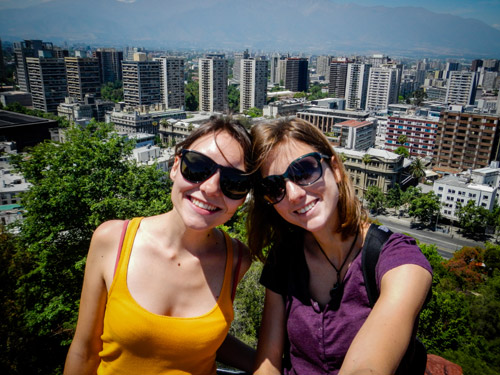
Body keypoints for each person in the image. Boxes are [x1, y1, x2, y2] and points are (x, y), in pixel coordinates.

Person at [64, 117, 255, 375]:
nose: (210, 188)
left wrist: (275, 364)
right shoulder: (113, 241)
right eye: (198, 167)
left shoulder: (237, 260)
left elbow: (197, 340)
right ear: (176, 166)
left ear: (243, 198)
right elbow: (84, 349)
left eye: (234, 183)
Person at [247, 118, 432, 375]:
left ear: (334, 169)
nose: (293, 194)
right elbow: (267, 363)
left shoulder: (397, 260)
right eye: (274, 186)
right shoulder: (285, 255)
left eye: (304, 172)